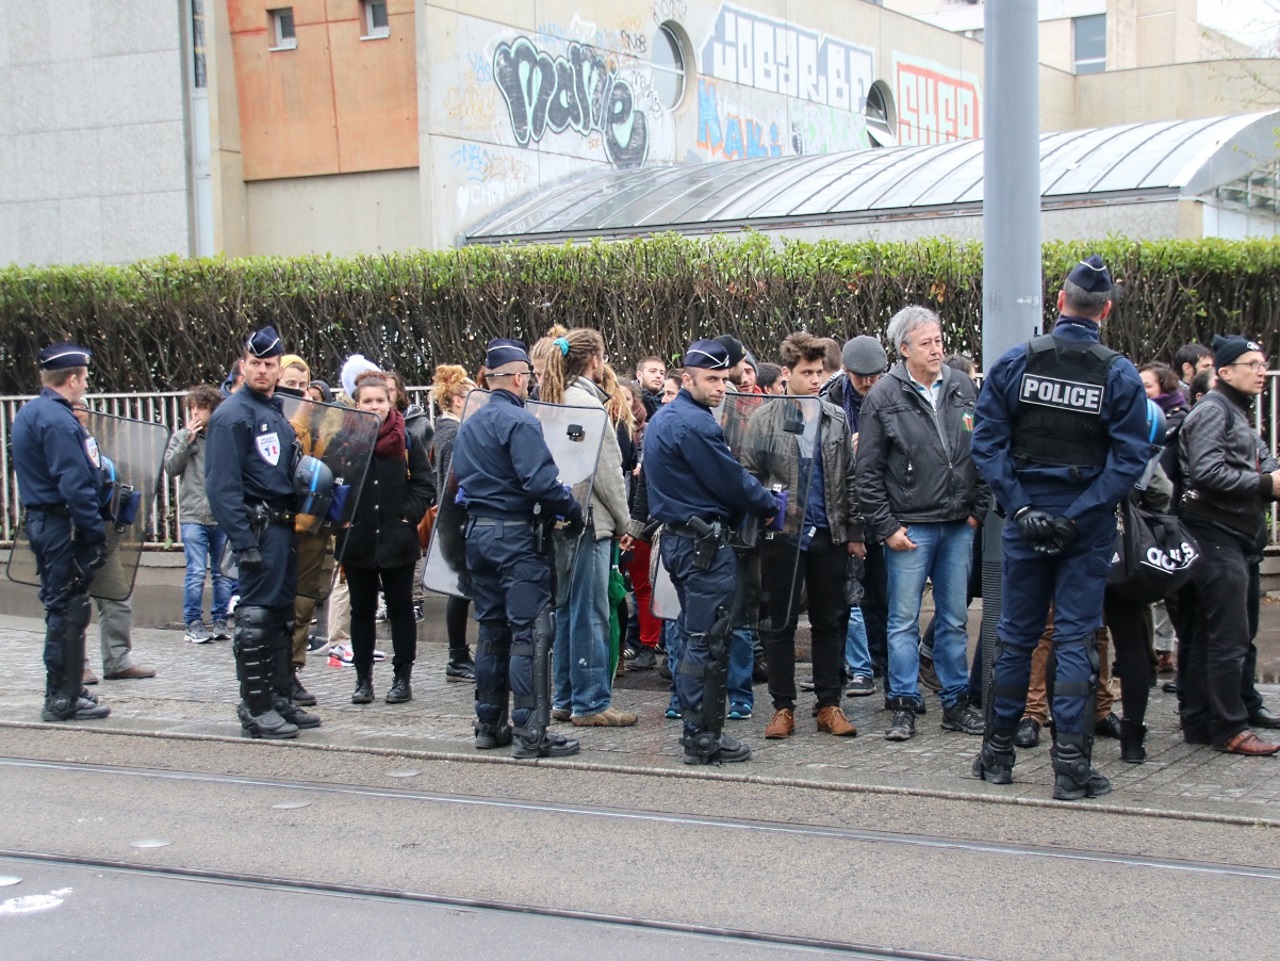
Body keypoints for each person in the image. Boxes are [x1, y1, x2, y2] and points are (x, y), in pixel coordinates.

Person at [970, 255, 1150, 800]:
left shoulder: (1016, 363)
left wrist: (1022, 509)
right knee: (1075, 638)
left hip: (1025, 518)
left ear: (1058, 302)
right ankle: (1070, 768)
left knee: (1015, 636)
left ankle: (997, 756)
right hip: (1084, 523)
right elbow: (1129, 459)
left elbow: (987, 442)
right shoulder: (1117, 373)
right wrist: (1079, 515)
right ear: (1107, 310)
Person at [856, 306, 988, 742]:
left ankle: (955, 702)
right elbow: (867, 470)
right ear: (904, 349)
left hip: (956, 524)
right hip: (909, 527)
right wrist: (886, 526)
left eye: (939, 340)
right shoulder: (883, 397)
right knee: (902, 620)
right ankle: (903, 703)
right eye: (927, 343)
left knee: (953, 619)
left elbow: (983, 451)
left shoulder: (962, 385)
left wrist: (976, 511)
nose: (937, 349)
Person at [644, 339, 779, 765]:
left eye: (724, 378)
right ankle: (702, 737)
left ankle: (698, 731)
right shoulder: (696, 424)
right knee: (707, 643)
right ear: (688, 379)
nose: (722, 387)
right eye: (712, 379)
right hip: (704, 545)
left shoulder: (666, 418)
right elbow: (731, 480)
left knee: (694, 638)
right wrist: (769, 503)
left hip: (683, 542)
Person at [451, 338, 585, 759]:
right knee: (529, 632)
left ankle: (489, 725)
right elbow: (541, 483)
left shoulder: (469, 423)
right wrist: (573, 510)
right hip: (515, 537)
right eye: (528, 377)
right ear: (517, 377)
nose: (531, 384)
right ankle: (532, 732)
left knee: (492, 631)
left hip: (478, 536)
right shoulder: (522, 423)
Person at [206, 326, 321, 739]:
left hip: (282, 526)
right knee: (255, 619)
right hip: (256, 528)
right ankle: (255, 706)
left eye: (269, 364)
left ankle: (277, 698)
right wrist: (242, 541)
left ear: (277, 368)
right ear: (243, 365)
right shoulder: (231, 415)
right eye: (255, 363)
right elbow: (221, 487)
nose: (262, 370)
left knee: (279, 618)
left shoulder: (272, 412)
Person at [744, 332, 860, 741]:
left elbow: (849, 476)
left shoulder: (836, 417)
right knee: (779, 623)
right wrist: (765, 518)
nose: (815, 379)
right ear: (788, 374)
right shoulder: (765, 418)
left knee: (831, 620)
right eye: (806, 372)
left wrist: (853, 530)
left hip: (828, 530)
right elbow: (750, 475)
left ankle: (829, 702)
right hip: (784, 534)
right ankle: (782, 706)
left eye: (820, 371)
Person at [1177, 334, 1280, 755]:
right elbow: (1206, 473)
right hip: (1214, 535)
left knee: (1208, 634)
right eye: (1251, 364)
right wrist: (1264, 483)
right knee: (1226, 637)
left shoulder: (1232, 411)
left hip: (1230, 537)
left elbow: (1260, 456)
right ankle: (1230, 728)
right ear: (1223, 371)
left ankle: (1202, 722)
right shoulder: (1213, 411)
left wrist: (1266, 474)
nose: (1261, 372)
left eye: (1262, 364)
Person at [533, 328, 638, 726]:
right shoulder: (587, 404)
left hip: (561, 521)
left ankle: (565, 697)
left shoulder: (553, 399)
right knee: (590, 612)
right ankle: (591, 703)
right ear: (594, 359)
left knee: (565, 610)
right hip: (590, 521)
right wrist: (626, 520)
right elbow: (607, 472)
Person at [11, 344, 111, 722]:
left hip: (47, 521)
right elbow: (74, 482)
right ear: (72, 379)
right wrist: (94, 532)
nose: (85, 384)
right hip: (62, 525)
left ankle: (69, 688)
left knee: (66, 606)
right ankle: (62, 697)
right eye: (84, 378)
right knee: (67, 609)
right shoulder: (57, 419)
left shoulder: (32, 413)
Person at [336, 372, 434, 705]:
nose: (374, 406)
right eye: (368, 401)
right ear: (357, 404)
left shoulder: (407, 440)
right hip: (358, 538)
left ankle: (401, 677)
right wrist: (343, 521)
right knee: (361, 611)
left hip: (397, 538)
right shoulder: (344, 441)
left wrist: (407, 515)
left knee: (401, 609)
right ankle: (363, 679)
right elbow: (331, 485)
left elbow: (425, 484)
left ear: (390, 402)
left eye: (380, 400)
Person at [823, 334, 890, 695]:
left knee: (882, 596)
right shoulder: (830, 399)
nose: (867, 382)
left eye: (874, 375)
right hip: (844, 510)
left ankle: (880, 665)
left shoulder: (893, 393)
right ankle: (842, 669)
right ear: (846, 370)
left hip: (884, 512)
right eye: (860, 376)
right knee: (845, 597)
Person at [165, 385, 232, 644]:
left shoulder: (223, 436)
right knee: (195, 571)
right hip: (193, 514)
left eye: (200, 408)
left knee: (222, 572)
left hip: (220, 515)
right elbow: (171, 467)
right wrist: (186, 442)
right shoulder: (183, 437)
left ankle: (219, 620)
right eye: (191, 408)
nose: (194, 414)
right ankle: (192, 622)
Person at [428, 363, 477, 681]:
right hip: (456, 521)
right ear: (459, 399)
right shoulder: (454, 433)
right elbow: (452, 482)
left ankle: (458, 656)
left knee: (461, 589)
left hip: (451, 521)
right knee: (461, 589)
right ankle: (457, 657)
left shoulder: (444, 432)